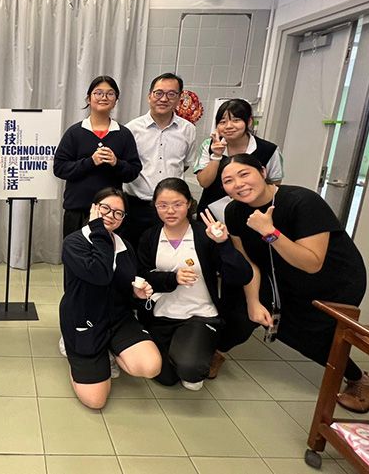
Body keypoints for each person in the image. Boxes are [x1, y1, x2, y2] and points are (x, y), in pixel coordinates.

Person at [220, 153, 369, 413]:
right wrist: (253, 301)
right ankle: (217, 351)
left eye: (244, 174)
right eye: (228, 181)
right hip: (282, 276)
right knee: (282, 327)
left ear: (262, 172)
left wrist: (269, 232)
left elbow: (312, 263)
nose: (238, 184)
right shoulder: (234, 212)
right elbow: (249, 264)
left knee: (321, 336)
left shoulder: (302, 201)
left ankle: (359, 379)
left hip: (334, 280)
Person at [135, 178, 252, 391]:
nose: (170, 211)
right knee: (164, 376)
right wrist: (172, 278)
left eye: (177, 204)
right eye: (163, 205)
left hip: (199, 315)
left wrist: (223, 244)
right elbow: (142, 275)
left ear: (189, 203)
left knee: (190, 370)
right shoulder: (150, 236)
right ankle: (182, 352)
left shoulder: (205, 235)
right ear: (155, 206)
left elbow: (242, 276)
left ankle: (196, 354)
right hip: (161, 315)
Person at [60, 187, 162, 409]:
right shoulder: (74, 242)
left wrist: (136, 293)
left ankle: (111, 350)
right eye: (105, 208)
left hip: (117, 317)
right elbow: (100, 274)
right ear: (93, 209)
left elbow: (126, 284)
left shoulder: (125, 246)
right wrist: (98, 230)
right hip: (84, 319)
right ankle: (73, 350)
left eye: (118, 213)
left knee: (150, 366)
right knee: (96, 401)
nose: (110, 215)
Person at [54, 76, 142, 238]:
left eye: (110, 94)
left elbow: (133, 172)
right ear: (89, 98)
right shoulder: (75, 132)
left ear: (116, 100)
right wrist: (90, 162)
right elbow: (59, 168)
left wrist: (116, 163)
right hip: (78, 211)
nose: (104, 97)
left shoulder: (124, 134)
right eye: (98, 93)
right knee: (75, 252)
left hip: (110, 214)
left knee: (107, 253)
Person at [123, 73, 196, 247]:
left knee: (170, 254)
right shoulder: (131, 129)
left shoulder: (188, 130)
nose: (164, 99)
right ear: (149, 96)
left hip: (173, 209)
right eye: (159, 93)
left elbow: (185, 164)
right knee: (134, 253)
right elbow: (126, 167)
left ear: (179, 98)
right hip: (137, 206)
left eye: (171, 94)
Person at [194, 99, 283, 221]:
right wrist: (216, 156)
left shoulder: (268, 150)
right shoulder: (209, 145)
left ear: (249, 121)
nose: (229, 126)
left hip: (253, 215)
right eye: (222, 122)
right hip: (211, 215)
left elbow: (274, 184)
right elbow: (204, 182)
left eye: (236, 120)